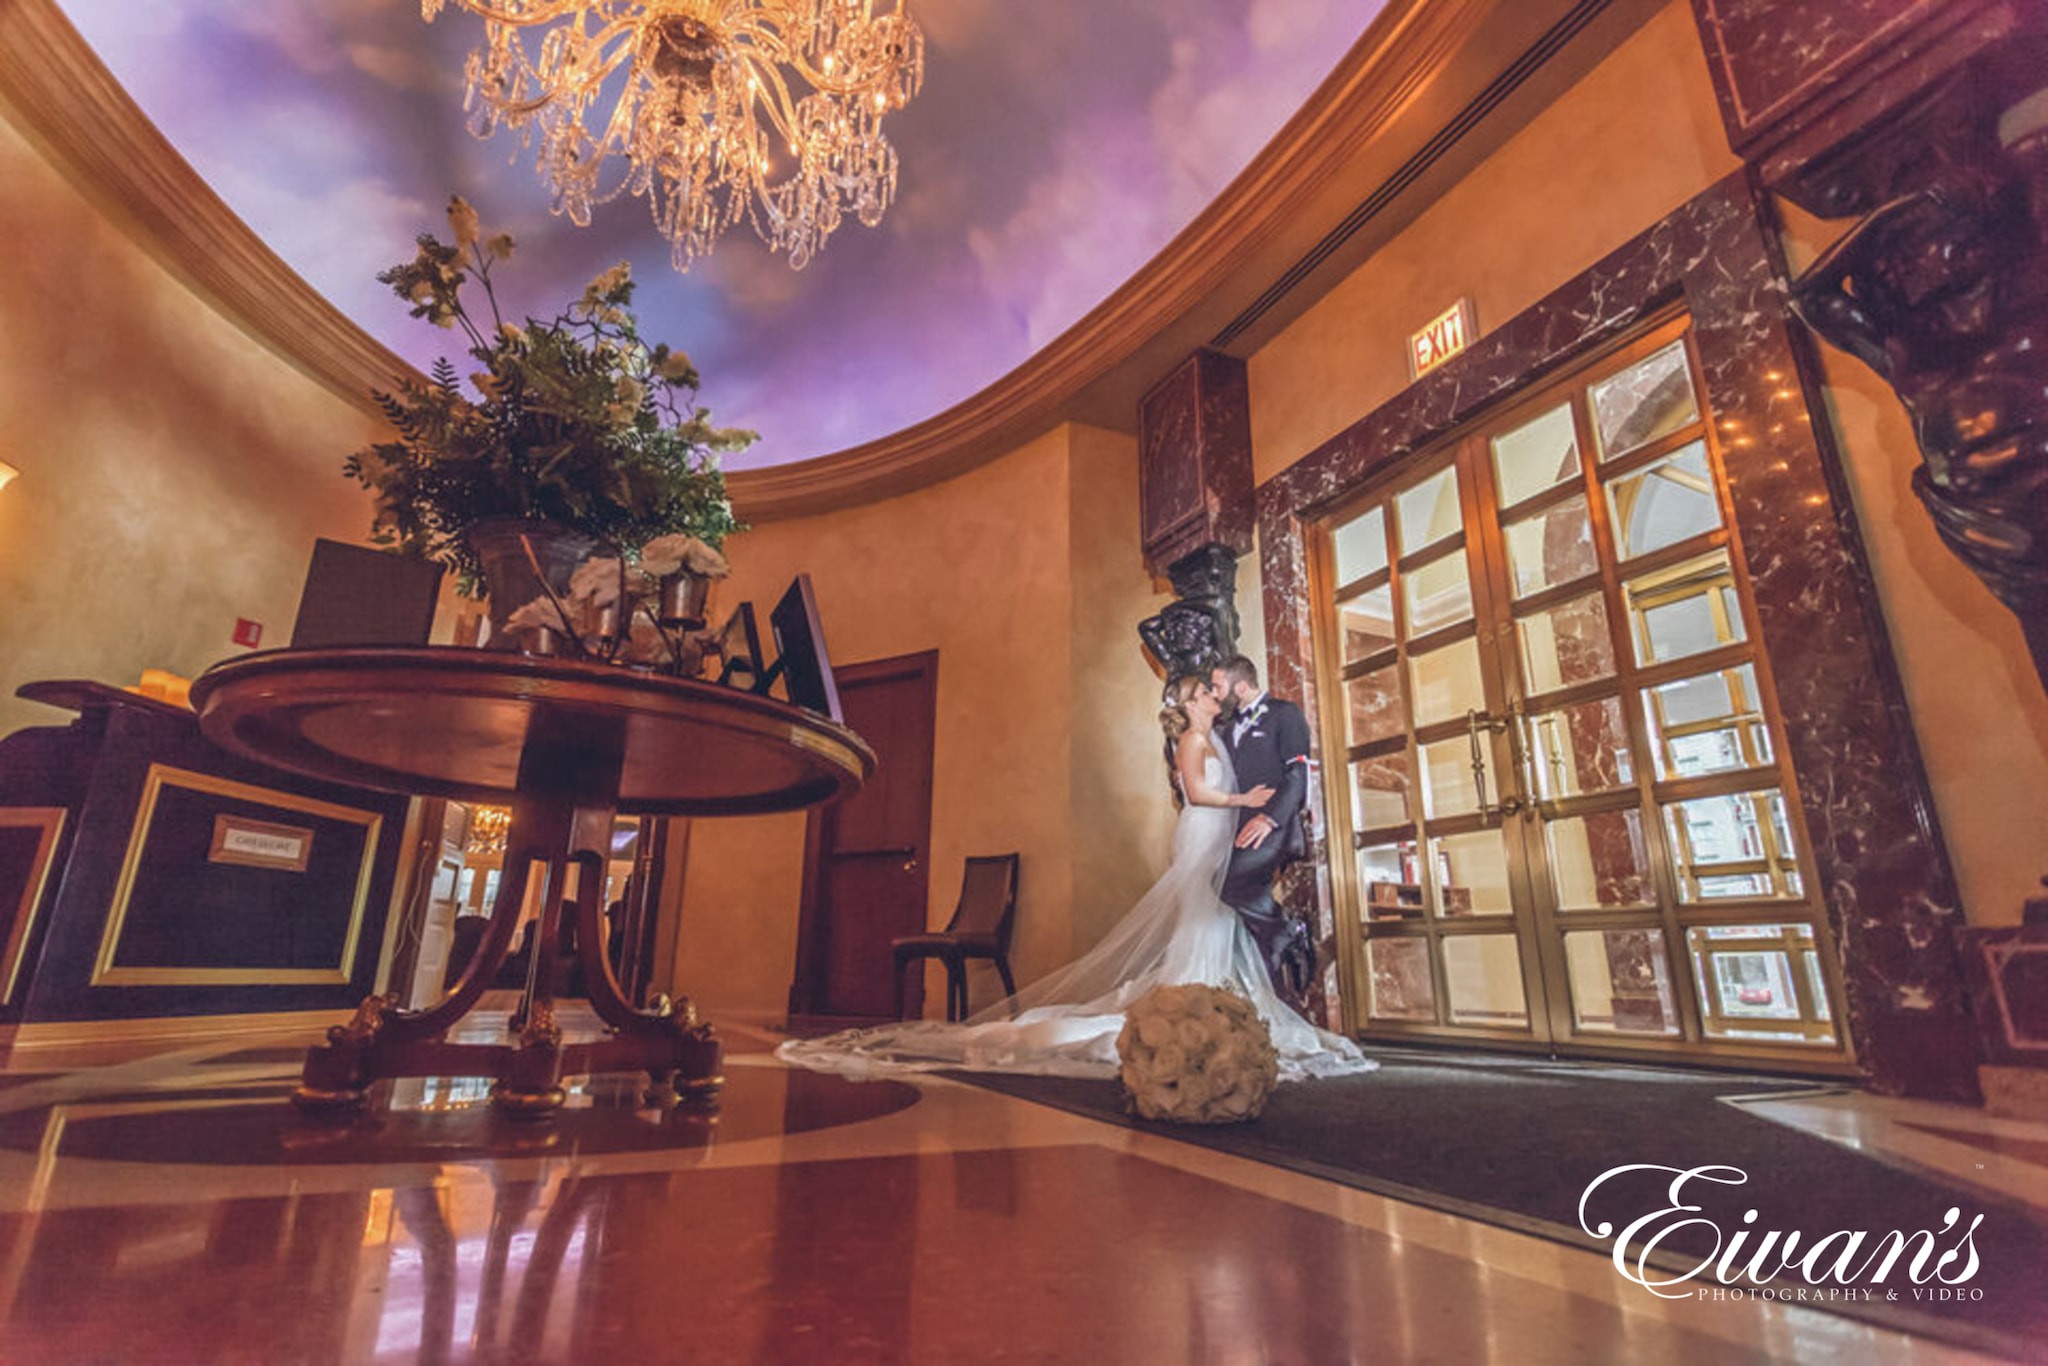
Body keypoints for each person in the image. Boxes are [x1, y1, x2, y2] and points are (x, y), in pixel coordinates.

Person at [776, 675, 1373, 1082]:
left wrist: (1256, 810)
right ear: (1191, 705)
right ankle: (1203, 1002)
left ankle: (1222, 1002)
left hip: (1220, 833)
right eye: (1205, 692)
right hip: (1203, 831)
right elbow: (1195, 791)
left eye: (1214, 689)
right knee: (1204, 917)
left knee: (1219, 918)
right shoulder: (1193, 739)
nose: (1214, 695)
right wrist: (1243, 795)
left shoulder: (1220, 732)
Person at [1208, 655, 1319, 1003]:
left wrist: (1269, 818)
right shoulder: (1226, 728)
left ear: (1240, 686)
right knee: (1230, 899)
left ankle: (1287, 929)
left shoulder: (1285, 715)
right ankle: (1272, 992)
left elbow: (1298, 776)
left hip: (1274, 828)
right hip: (1236, 830)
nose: (1215, 692)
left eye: (1218, 686)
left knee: (1225, 883)